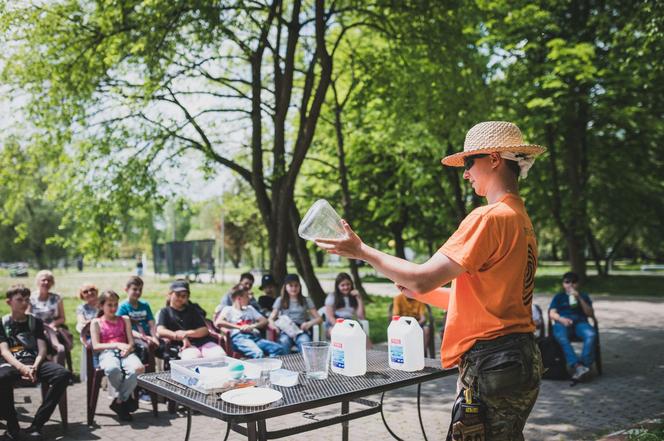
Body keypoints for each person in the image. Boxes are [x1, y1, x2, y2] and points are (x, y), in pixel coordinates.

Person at [316, 121, 546, 440]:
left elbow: (423, 278)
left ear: (493, 159)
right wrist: (423, 294)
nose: (465, 173)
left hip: (493, 362)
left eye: (469, 163)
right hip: (521, 358)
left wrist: (361, 250)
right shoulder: (521, 219)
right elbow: (484, 300)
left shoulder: (488, 217)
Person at [0, 284, 71, 439]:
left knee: (63, 374)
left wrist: (34, 366)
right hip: (11, 363)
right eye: (19, 300)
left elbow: (42, 349)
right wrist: (21, 367)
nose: (24, 303)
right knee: (3, 377)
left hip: (34, 362)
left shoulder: (35, 322)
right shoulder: (2, 322)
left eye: (27, 300)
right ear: (9, 302)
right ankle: (13, 428)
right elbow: (4, 350)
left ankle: (37, 424)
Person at [90, 290, 143, 422]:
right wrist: (116, 345)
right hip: (107, 353)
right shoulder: (96, 322)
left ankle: (119, 401)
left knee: (138, 368)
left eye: (115, 304)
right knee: (113, 369)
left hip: (126, 352)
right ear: (102, 306)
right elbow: (96, 346)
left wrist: (128, 348)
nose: (113, 308)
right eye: (109, 305)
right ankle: (125, 400)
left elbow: (131, 341)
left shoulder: (124, 319)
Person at [156, 280, 226, 360]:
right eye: (178, 294)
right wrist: (177, 336)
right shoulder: (165, 312)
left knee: (220, 356)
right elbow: (160, 330)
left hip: (203, 342)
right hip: (183, 345)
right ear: (170, 294)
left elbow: (204, 330)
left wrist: (186, 333)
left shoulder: (192, 310)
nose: (180, 298)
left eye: (184, 296)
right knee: (192, 359)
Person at [549, 271, 596, 381]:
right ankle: (577, 366)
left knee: (591, 334)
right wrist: (561, 319)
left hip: (580, 323)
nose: (570, 284)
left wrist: (579, 298)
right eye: (567, 282)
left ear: (578, 284)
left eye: (574, 282)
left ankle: (585, 365)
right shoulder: (559, 297)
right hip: (563, 323)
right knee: (561, 337)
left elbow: (590, 313)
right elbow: (552, 313)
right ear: (563, 284)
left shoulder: (583, 296)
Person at [215, 286, 285, 359]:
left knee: (278, 349)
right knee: (258, 353)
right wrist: (239, 327)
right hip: (239, 338)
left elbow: (264, 320)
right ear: (239, 298)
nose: (249, 298)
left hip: (255, 337)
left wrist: (252, 326)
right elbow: (218, 322)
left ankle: (271, 367)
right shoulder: (228, 309)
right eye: (247, 296)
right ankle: (262, 369)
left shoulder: (250, 309)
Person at [28, 270, 73, 369]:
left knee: (56, 342)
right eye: (43, 280)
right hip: (36, 328)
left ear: (52, 283)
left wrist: (52, 325)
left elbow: (62, 318)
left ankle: (58, 368)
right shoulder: (31, 298)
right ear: (38, 281)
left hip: (53, 329)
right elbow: (27, 316)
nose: (46, 283)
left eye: (49, 280)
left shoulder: (57, 298)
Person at [267, 274, 322, 353]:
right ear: (286, 287)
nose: (294, 288)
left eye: (296, 285)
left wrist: (309, 323)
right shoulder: (280, 300)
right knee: (284, 341)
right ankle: (285, 364)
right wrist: (274, 327)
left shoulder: (306, 300)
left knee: (304, 342)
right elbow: (271, 318)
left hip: (300, 330)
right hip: (286, 331)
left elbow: (319, 319)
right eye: (291, 285)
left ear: (300, 286)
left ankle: (306, 364)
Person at [116, 276, 160, 364]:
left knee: (161, 345)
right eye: (135, 289)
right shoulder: (122, 307)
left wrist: (154, 337)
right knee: (145, 348)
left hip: (148, 335)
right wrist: (143, 337)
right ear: (126, 289)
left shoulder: (145, 305)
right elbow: (124, 329)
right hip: (133, 337)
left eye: (140, 289)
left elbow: (151, 323)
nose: (138, 292)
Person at [75, 283, 100, 382]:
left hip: (105, 333)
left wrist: (91, 322)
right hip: (90, 335)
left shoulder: (103, 304)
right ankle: (95, 373)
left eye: (91, 290)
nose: (89, 293)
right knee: (92, 344)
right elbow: (82, 322)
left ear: (96, 291)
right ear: (82, 295)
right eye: (85, 292)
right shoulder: (82, 308)